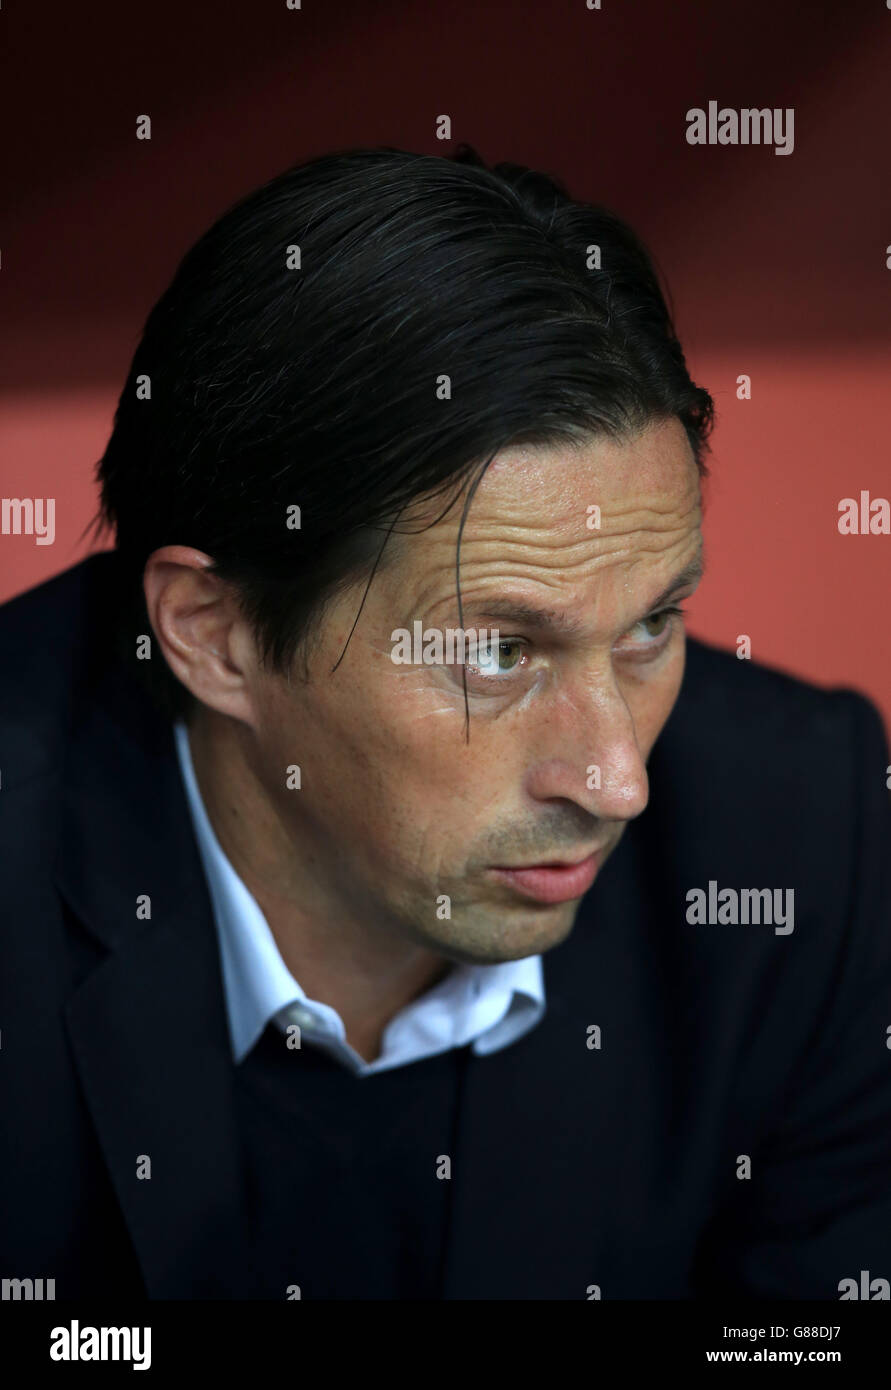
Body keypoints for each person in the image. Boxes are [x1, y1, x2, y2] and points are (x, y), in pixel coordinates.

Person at [2, 145, 889, 1301]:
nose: (618, 778)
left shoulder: (803, 833)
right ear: (213, 633)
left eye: (652, 624)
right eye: (498, 651)